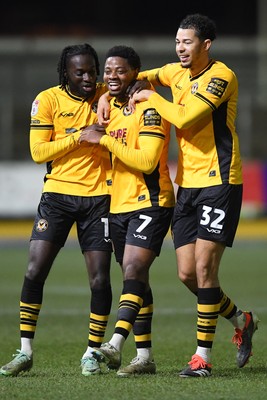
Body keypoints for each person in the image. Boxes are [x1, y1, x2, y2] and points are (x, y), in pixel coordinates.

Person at [114, 14, 260, 377]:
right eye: (177, 41)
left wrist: (150, 97)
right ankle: (242, 320)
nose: (180, 48)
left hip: (220, 181)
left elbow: (187, 117)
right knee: (186, 275)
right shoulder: (174, 72)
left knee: (205, 270)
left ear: (206, 45)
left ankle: (202, 359)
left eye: (187, 42)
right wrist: (111, 98)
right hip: (188, 185)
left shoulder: (221, 77)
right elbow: (138, 75)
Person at [0, 43, 114, 377]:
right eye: (80, 72)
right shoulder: (47, 100)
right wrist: (80, 136)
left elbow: (138, 82)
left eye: (93, 71)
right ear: (65, 72)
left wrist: (126, 89)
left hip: (100, 199)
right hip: (58, 197)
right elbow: (39, 152)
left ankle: (92, 352)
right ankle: (25, 351)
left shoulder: (108, 94)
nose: (89, 78)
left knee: (99, 278)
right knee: (35, 271)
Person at [79, 45, 175, 377]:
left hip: (151, 201)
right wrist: (104, 98)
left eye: (120, 70)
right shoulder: (110, 107)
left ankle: (116, 344)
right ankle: (145, 358)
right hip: (117, 204)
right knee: (136, 279)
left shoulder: (148, 108)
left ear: (135, 72)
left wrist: (104, 140)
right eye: (108, 71)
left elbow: (148, 161)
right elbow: (97, 91)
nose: (112, 77)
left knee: (133, 269)